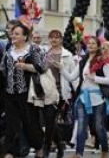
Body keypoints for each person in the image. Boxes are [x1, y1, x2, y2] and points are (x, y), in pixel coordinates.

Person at [56, 36, 109, 158]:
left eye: (93, 43)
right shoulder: (83, 61)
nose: (90, 45)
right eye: (89, 43)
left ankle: (105, 150)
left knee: (99, 127)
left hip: (98, 99)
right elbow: (71, 77)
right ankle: (78, 153)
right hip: (83, 98)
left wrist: (95, 78)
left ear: (98, 46)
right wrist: (61, 69)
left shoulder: (102, 60)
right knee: (81, 125)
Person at [0, 23, 45, 158]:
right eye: (13, 33)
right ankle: (10, 152)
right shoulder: (8, 52)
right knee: (11, 125)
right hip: (10, 94)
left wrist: (25, 66)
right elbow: (2, 70)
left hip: (27, 94)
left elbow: (42, 67)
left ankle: (38, 147)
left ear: (25, 37)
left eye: (17, 33)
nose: (13, 35)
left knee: (30, 124)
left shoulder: (33, 49)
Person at [42, 29, 76, 158]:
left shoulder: (67, 55)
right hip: (46, 91)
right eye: (51, 37)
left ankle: (46, 147)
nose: (53, 40)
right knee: (49, 120)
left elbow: (73, 75)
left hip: (61, 92)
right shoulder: (45, 53)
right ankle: (60, 144)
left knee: (50, 118)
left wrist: (77, 90)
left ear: (61, 39)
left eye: (56, 37)